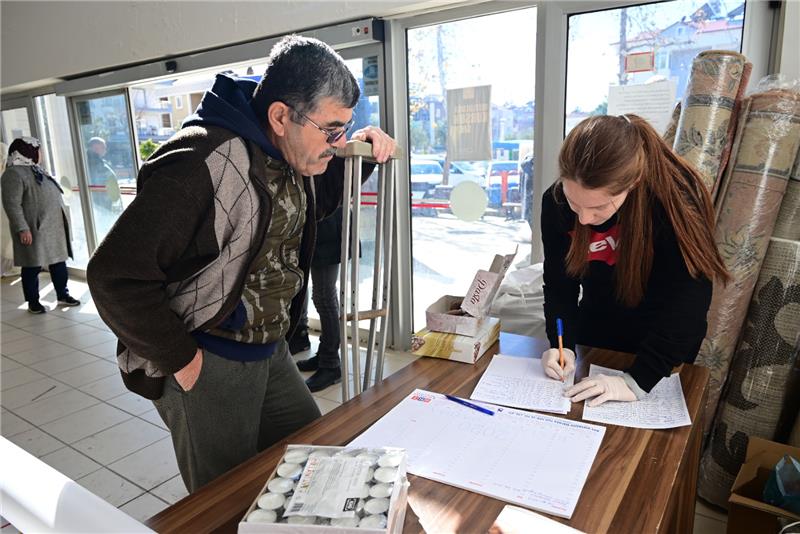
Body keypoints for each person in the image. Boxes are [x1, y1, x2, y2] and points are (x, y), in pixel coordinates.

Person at [87, 35, 395, 493]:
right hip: (208, 355)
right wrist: (183, 358)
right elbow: (114, 274)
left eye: (343, 128)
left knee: (312, 458)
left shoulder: (288, 151)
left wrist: (361, 153)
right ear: (279, 115)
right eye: (331, 130)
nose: (336, 142)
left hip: (269, 349)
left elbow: (312, 207)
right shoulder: (200, 162)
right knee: (226, 498)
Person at [540, 114, 728, 406]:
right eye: (575, 202)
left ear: (634, 183)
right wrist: (560, 344)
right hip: (599, 322)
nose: (584, 218)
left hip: (663, 342)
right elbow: (558, 286)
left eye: (599, 207)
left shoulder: (673, 205)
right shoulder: (555, 203)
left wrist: (638, 380)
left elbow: (687, 304)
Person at [1, 137, 80, 313]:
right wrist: (22, 228)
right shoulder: (13, 174)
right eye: (37, 150)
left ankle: (62, 294)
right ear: (26, 152)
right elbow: (12, 204)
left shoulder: (37, 170)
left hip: (53, 227)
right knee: (32, 265)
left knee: (59, 262)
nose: (40, 154)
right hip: (34, 228)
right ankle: (33, 301)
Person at [292, 206, 344, 391]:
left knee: (324, 296)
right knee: (317, 293)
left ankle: (331, 365)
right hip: (317, 225)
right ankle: (323, 353)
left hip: (329, 224)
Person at [85, 137, 116, 211]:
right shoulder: (93, 162)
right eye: (103, 147)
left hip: (103, 200)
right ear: (95, 148)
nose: (105, 150)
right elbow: (97, 181)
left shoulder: (98, 161)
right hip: (101, 202)